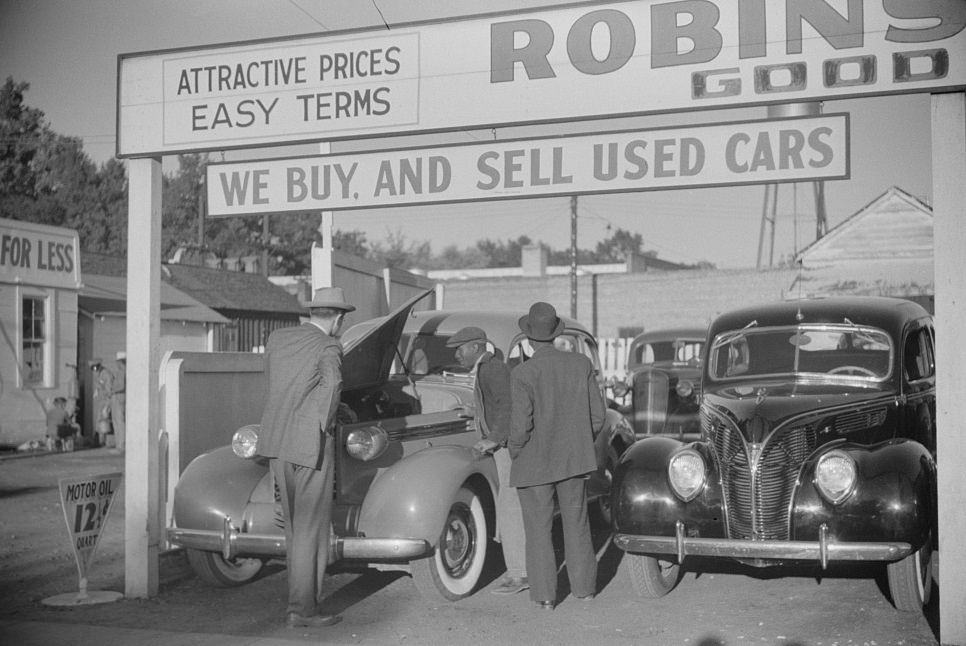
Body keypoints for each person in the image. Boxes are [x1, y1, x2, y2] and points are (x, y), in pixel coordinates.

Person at [257, 286, 355, 629]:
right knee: (311, 530)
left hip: (276, 441)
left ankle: (298, 603)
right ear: (339, 318)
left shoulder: (279, 339)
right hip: (309, 447)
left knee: (294, 529)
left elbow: (277, 385)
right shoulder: (329, 345)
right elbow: (332, 384)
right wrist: (325, 424)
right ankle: (303, 610)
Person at [508, 302, 605, 610]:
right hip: (574, 461)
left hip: (534, 463)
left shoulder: (523, 372)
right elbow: (599, 417)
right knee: (577, 524)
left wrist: (516, 451)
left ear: (527, 339)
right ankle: (585, 590)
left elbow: (520, 427)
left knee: (537, 531)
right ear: (554, 334)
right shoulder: (580, 364)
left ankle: (546, 597)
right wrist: (578, 442)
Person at [445, 326, 528, 596]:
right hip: (502, 447)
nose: (457, 355)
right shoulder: (487, 368)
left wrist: (493, 438)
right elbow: (495, 403)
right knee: (507, 505)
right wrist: (474, 411)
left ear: (476, 347)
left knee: (510, 507)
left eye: (460, 349)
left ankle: (519, 574)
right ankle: (518, 570)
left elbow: (509, 406)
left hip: (505, 448)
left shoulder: (492, 369)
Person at [90, 358, 114, 447]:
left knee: (105, 421)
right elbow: (99, 386)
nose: (94, 370)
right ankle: (100, 440)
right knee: (100, 421)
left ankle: (102, 441)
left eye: (95, 368)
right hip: (101, 400)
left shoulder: (106, 374)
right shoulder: (100, 374)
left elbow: (109, 389)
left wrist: (107, 404)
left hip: (106, 400)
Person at [110, 351, 126, 453]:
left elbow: (121, 386)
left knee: (118, 422)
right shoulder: (126, 370)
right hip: (122, 397)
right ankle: (121, 444)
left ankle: (120, 445)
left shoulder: (121, 371)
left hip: (118, 397)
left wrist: (112, 391)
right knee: (120, 421)